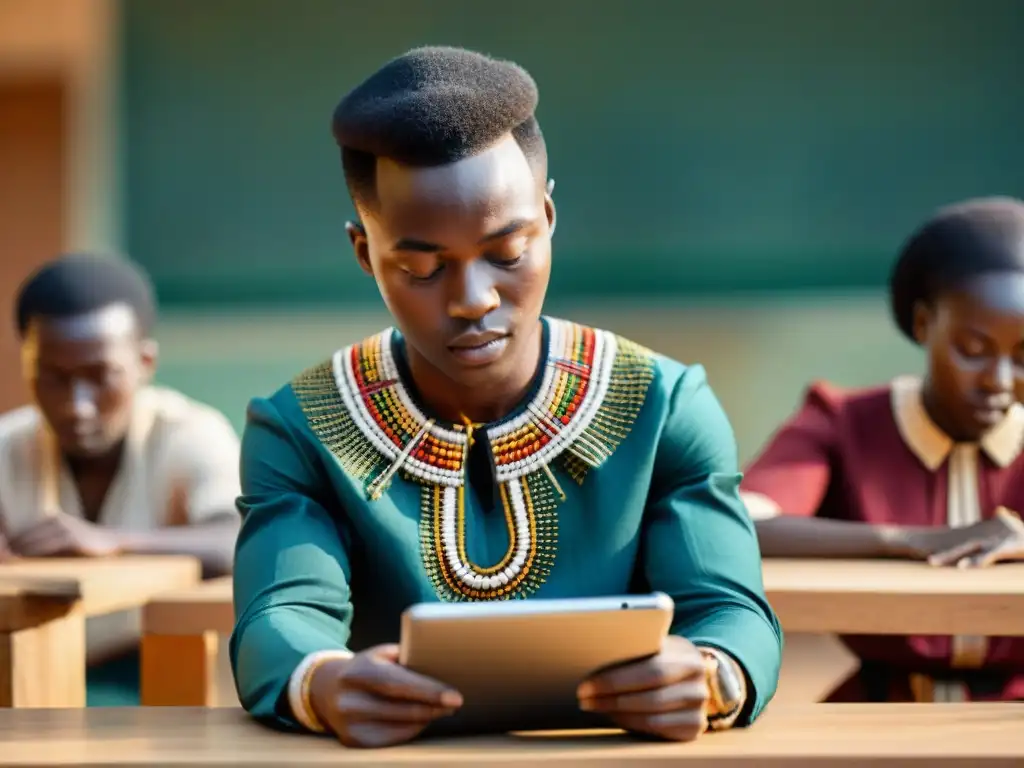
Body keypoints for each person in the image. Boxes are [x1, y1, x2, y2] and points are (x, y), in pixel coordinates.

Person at [231, 46, 781, 748]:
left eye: (508, 252)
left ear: (548, 219)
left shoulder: (664, 404)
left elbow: (731, 609)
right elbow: (280, 614)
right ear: (365, 255)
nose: (473, 299)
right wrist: (321, 681)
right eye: (422, 267)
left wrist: (712, 675)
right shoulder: (301, 427)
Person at [741, 196, 1024, 703]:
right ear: (922, 325)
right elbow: (743, 523)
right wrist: (909, 539)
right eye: (973, 351)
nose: (999, 382)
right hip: (877, 707)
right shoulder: (844, 421)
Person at [0, 253, 242, 704]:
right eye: (52, 378)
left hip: (161, 671)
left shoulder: (188, 433)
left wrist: (113, 540)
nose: (77, 405)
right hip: (28, 673)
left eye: (99, 376)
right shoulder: (7, 445)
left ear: (144, 362)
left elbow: (242, 539)